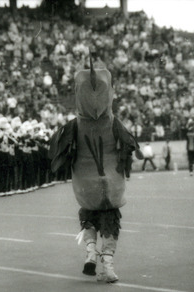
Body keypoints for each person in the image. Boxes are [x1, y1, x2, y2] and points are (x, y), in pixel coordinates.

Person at [49, 57, 143, 283]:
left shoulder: (73, 126)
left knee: (88, 217)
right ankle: (108, 265)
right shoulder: (114, 122)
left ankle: (91, 251)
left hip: (86, 185)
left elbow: (61, 154)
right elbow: (129, 148)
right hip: (111, 184)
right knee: (111, 222)